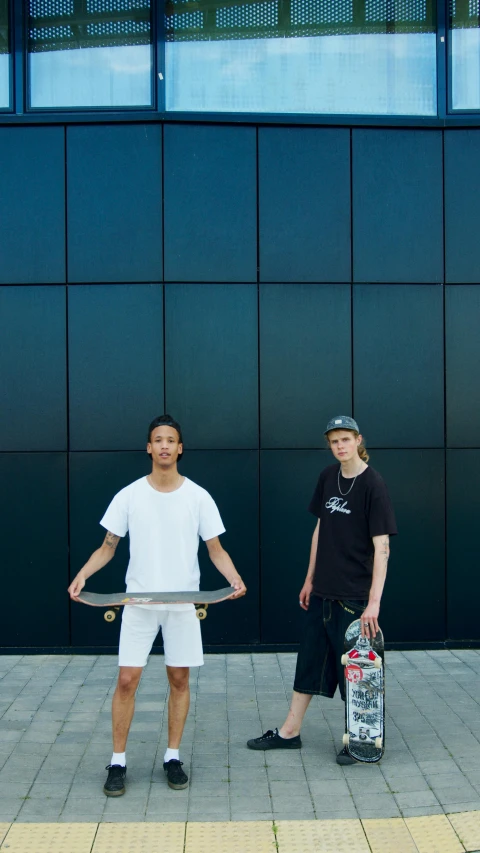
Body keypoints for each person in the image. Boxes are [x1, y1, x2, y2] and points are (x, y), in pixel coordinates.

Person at [68, 414, 246, 796]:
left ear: (180, 448)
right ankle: (117, 762)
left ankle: (172, 756)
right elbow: (108, 546)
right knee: (127, 680)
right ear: (149, 447)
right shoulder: (130, 495)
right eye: (157, 440)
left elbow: (216, 550)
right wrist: (83, 575)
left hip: (183, 604)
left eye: (171, 440)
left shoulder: (198, 496)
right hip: (140, 602)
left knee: (179, 679)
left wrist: (234, 578)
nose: (164, 445)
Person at [247, 415, 396, 765]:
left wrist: (373, 603)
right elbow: (320, 530)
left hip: (354, 597)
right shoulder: (328, 477)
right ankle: (289, 732)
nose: (340, 446)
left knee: (356, 674)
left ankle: (363, 741)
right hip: (323, 592)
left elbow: (383, 547)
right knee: (310, 662)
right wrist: (309, 578)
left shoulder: (374, 484)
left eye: (346, 439)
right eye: (334, 441)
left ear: (359, 440)